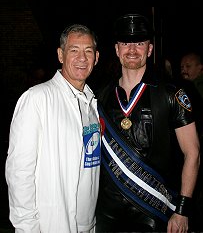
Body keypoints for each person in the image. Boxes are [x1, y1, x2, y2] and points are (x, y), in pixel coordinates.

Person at [95, 14, 200, 232]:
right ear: (116, 49)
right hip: (106, 212)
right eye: (125, 43)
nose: (132, 50)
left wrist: (181, 210)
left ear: (149, 49)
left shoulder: (171, 94)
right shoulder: (100, 96)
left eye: (139, 43)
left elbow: (193, 153)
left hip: (153, 212)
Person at [5, 24, 101, 233]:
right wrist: (27, 228)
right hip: (51, 224)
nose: (82, 58)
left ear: (96, 57)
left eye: (88, 51)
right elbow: (19, 172)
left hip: (88, 225)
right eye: (74, 50)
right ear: (60, 55)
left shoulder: (92, 104)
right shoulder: (37, 99)